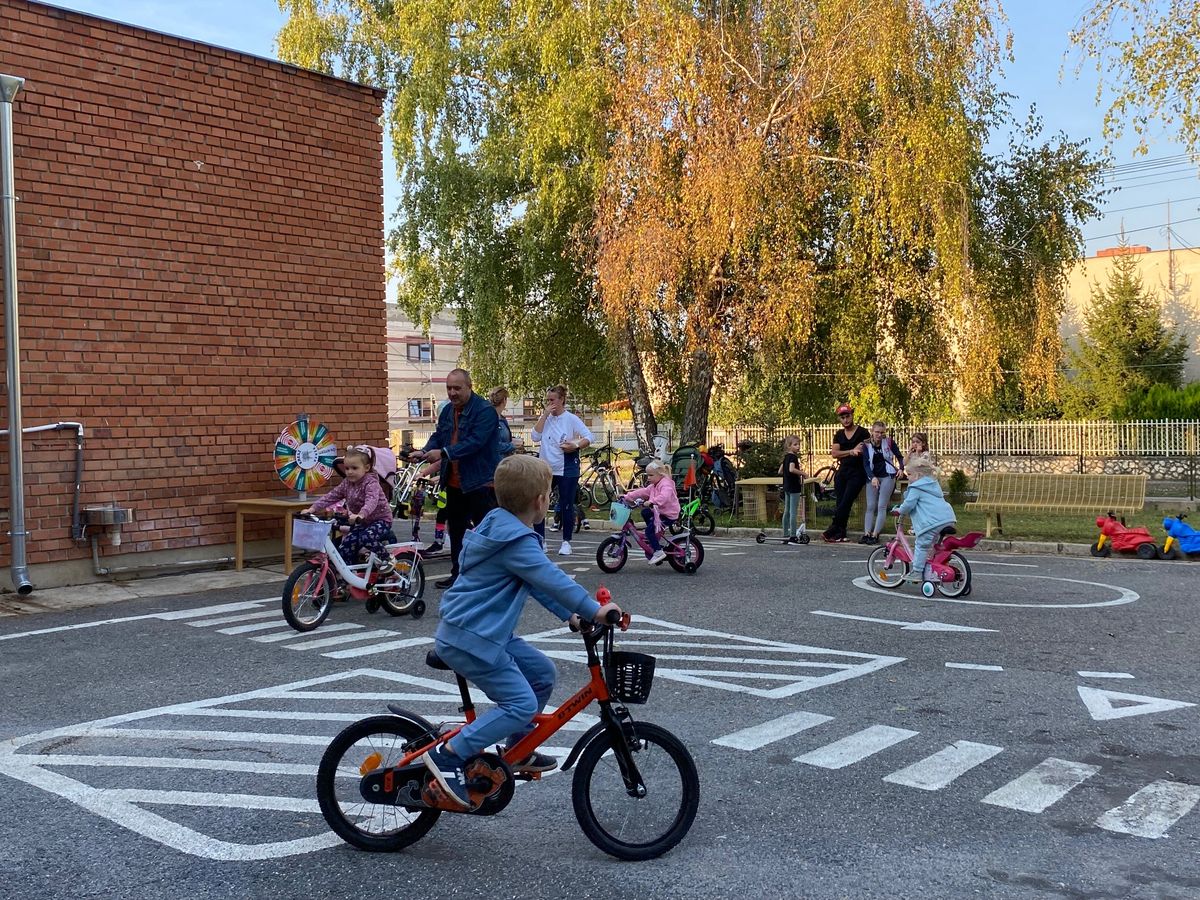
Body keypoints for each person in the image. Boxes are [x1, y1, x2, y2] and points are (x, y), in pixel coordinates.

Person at [420, 454, 621, 809]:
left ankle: (518, 749)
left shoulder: (499, 527)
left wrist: (571, 616)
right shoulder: (517, 542)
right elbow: (552, 578)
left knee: (542, 673)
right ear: (541, 501)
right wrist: (595, 609)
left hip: (481, 633)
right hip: (473, 639)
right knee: (521, 703)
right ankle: (449, 754)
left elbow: (537, 584)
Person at [411, 368, 501, 589]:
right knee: (457, 530)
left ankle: (493, 577)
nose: (452, 393)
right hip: (453, 482)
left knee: (485, 532)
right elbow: (439, 435)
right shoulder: (447, 411)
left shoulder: (485, 411)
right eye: (449, 388)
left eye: (457, 388)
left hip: (480, 482)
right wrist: (424, 452)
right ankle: (458, 575)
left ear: (469, 387)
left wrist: (443, 453)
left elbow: (475, 442)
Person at [301, 446, 394, 568]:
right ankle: (347, 577)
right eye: (347, 468)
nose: (349, 472)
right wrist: (312, 509)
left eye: (354, 468)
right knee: (346, 545)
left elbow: (371, 501)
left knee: (367, 538)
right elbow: (331, 496)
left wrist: (361, 514)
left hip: (381, 520)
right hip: (363, 522)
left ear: (366, 468)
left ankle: (388, 558)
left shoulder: (371, 483)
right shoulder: (347, 483)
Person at [531, 384, 593, 556]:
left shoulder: (571, 419)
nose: (550, 403)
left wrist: (575, 445)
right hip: (545, 467)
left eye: (552, 400)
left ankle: (566, 541)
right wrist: (544, 414)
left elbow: (589, 436)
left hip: (566, 467)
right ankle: (540, 540)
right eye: (547, 400)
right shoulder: (546, 418)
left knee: (566, 503)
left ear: (561, 400)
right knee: (540, 503)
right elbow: (534, 436)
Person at [892, 452, 956, 583]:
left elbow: (908, 505)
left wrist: (900, 510)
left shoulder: (916, 487)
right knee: (933, 546)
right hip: (947, 518)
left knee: (921, 544)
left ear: (918, 475)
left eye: (909, 475)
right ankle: (936, 566)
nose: (907, 477)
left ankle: (917, 571)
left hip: (932, 523)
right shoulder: (933, 485)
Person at [822, 404, 870, 543]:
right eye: (843, 417)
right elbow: (835, 453)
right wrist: (850, 451)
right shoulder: (839, 434)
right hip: (842, 471)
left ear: (852, 415)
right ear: (840, 419)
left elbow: (862, 449)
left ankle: (832, 528)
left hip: (858, 472)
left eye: (848, 416)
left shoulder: (863, 432)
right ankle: (840, 532)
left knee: (847, 501)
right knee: (840, 501)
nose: (846, 420)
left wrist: (854, 451)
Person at [619, 460, 681, 565]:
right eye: (647, 475)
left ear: (660, 474)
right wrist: (626, 496)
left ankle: (658, 552)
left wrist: (652, 501)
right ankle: (655, 536)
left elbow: (664, 497)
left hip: (668, 514)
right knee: (645, 513)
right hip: (659, 512)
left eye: (651, 475)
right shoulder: (654, 485)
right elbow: (642, 492)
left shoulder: (666, 485)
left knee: (649, 531)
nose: (648, 478)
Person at [860, 421, 904, 545]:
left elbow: (899, 457)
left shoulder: (889, 442)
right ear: (872, 432)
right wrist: (872, 477)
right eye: (877, 432)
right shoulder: (866, 445)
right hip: (873, 476)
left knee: (881, 505)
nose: (879, 435)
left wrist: (901, 468)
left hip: (887, 475)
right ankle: (867, 533)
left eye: (882, 432)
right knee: (870, 505)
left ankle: (875, 534)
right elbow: (866, 464)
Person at [779, 435, 807, 543]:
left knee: (787, 510)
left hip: (786, 486)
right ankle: (792, 535)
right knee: (793, 512)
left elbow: (780, 471)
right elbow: (791, 469)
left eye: (799, 444)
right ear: (789, 446)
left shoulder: (786, 457)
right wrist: (803, 473)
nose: (798, 447)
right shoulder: (793, 457)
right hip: (794, 487)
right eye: (795, 445)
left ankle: (785, 533)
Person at [489, 386, 524, 457]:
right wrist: (512, 445)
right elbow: (493, 445)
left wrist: (513, 440)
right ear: (504, 400)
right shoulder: (489, 419)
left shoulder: (502, 419)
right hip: (494, 463)